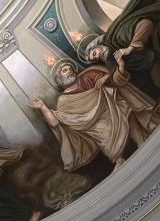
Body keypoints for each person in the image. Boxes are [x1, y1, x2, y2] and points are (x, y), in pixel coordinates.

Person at [29, 58, 160, 173]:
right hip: (94, 126)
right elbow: (56, 122)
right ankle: (118, 159)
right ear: (59, 79)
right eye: (64, 70)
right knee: (100, 129)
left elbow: (108, 75)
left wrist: (103, 80)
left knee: (122, 106)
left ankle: (141, 141)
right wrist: (42, 107)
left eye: (70, 68)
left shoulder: (87, 76)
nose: (69, 71)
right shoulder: (63, 101)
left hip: (110, 107)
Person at [81, 0, 160, 98]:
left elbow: (146, 24)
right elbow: (118, 81)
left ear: (96, 46)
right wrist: (121, 65)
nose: (98, 55)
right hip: (151, 64)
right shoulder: (109, 59)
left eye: (94, 53)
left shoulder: (115, 37)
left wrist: (130, 48)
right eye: (95, 58)